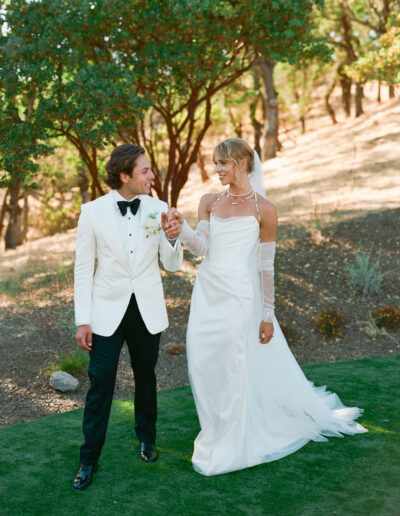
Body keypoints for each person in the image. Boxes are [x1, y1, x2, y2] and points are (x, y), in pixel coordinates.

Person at [171, 137, 367, 476]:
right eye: (216, 163)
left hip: (238, 296)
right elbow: (201, 248)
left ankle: (232, 440)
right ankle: (215, 427)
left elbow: (266, 267)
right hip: (206, 293)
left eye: (223, 163)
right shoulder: (208, 202)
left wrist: (267, 315)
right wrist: (182, 229)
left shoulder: (265, 210)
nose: (217, 169)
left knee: (232, 365)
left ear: (243, 164)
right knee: (202, 362)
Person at [73, 143, 183, 490]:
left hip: (146, 310)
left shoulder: (159, 208)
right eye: (145, 170)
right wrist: (83, 319)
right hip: (106, 312)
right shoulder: (91, 212)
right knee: (100, 383)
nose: (152, 175)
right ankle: (88, 460)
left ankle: (147, 439)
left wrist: (173, 236)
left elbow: (172, 264)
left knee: (146, 378)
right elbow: (81, 269)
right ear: (125, 175)